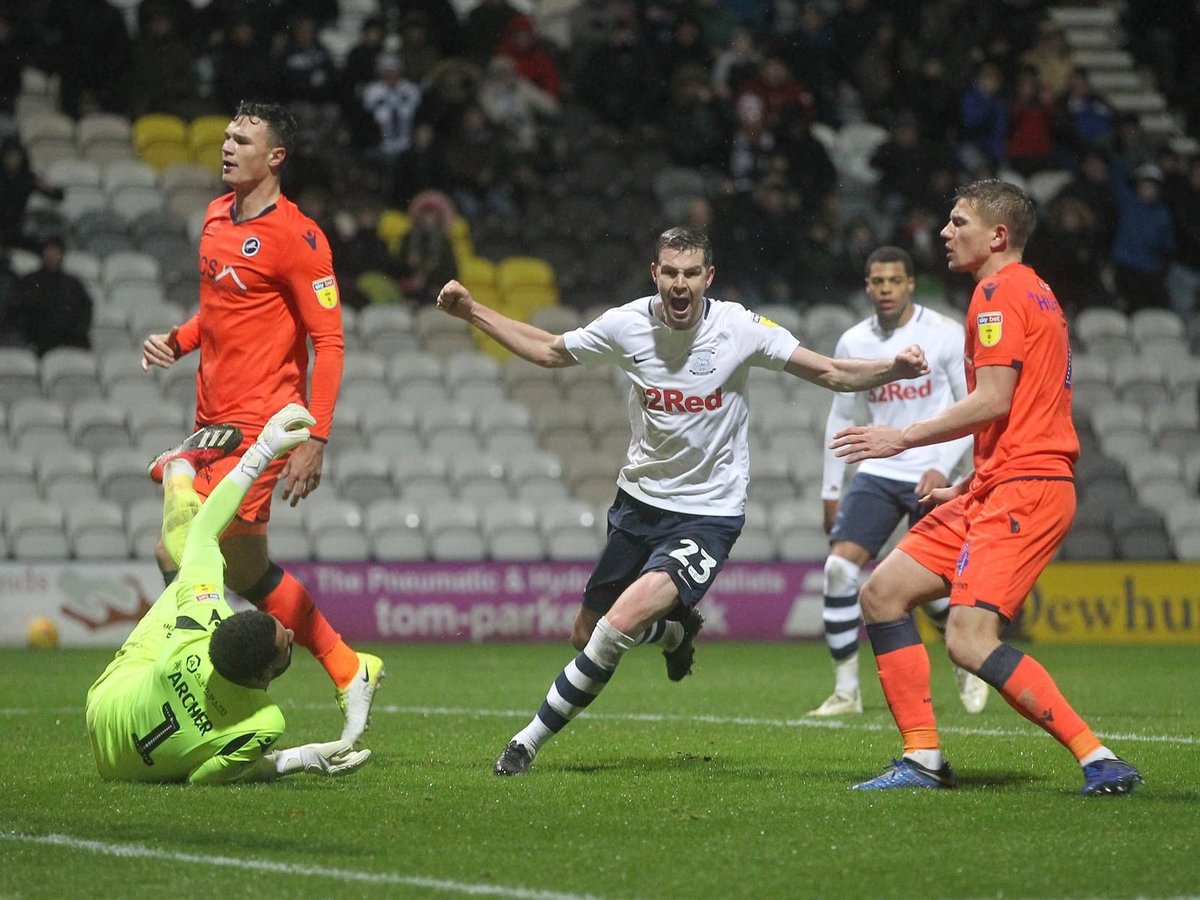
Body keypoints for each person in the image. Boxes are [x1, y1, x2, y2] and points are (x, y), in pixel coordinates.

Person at [435, 226, 931, 776]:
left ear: (708, 278)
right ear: (656, 274)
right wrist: (473, 311)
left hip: (709, 513)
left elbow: (831, 371)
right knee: (586, 632)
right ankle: (674, 631)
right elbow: (552, 352)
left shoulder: (739, 328)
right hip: (638, 503)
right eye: (670, 272)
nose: (679, 284)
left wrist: (894, 370)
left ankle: (525, 743)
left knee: (615, 625)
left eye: (690, 273)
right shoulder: (626, 324)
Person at [831, 180, 1142, 796]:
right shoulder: (1038, 294)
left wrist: (903, 438)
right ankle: (922, 759)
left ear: (997, 235)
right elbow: (1027, 411)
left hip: (1026, 492)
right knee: (883, 593)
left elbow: (994, 399)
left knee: (970, 642)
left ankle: (1098, 758)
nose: (944, 234)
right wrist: (972, 480)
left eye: (957, 222)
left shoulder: (997, 295)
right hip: (999, 483)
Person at [141, 101, 383, 745]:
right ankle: (348, 667)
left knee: (178, 548)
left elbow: (328, 343)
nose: (226, 147)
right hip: (210, 421)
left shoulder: (299, 239)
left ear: (275, 157)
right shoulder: (217, 217)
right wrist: (181, 339)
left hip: (264, 424)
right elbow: (220, 310)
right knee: (247, 572)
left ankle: (202, 683)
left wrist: (316, 438)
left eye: (242, 140)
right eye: (225, 136)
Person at [86, 406, 372, 784]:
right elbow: (202, 778)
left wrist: (261, 451)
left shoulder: (201, 622)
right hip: (116, 766)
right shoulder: (265, 721)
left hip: (108, 702)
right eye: (286, 641)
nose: (290, 633)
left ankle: (178, 470)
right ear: (262, 676)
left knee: (196, 555)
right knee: (192, 556)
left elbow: (207, 529)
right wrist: (300, 758)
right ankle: (178, 469)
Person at [812, 246, 986, 718]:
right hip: (879, 469)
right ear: (868, 286)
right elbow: (841, 413)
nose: (885, 289)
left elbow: (970, 408)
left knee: (932, 590)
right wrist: (832, 488)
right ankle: (846, 691)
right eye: (876, 281)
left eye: (894, 280)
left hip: (933, 469)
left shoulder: (945, 334)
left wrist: (945, 467)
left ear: (910, 283)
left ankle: (965, 665)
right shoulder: (853, 342)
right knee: (837, 570)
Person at [6, 235, 92, 356]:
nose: (52, 255)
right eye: (49, 251)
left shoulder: (74, 284)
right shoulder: (29, 281)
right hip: (36, 344)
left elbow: (85, 312)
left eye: (56, 252)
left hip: (70, 343)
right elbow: (16, 311)